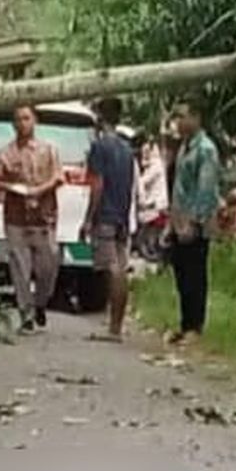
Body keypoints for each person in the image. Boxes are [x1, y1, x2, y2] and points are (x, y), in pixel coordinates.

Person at [0, 105, 64, 334]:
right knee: (20, 268)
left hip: (44, 218)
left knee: (48, 265)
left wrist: (40, 190)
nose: (23, 123)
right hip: (16, 218)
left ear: (35, 121)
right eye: (18, 120)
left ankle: (41, 302)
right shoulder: (5, 154)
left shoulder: (49, 150)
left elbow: (58, 177)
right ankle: (26, 313)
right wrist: (13, 187)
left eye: (26, 118)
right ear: (13, 124)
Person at [81, 97, 138, 342]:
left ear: (100, 119)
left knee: (112, 269)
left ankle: (114, 328)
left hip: (106, 214)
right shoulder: (127, 150)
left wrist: (88, 218)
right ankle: (116, 324)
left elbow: (97, 185)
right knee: (121, 268)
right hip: (122, 216)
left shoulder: (99, 147)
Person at [166, 99, 222, 346]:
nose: (178, 122)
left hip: (195, 225)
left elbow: (205, 190)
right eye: (177, 117)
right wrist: (172, 223)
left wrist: (195, 222)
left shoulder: (205, 149)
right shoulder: (184, 147)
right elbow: (178, 188)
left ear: (196, 118)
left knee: (195, 275)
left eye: (183, 116)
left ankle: (195, 327)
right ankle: (185, 323)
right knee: (181, 274)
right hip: (179, 221)